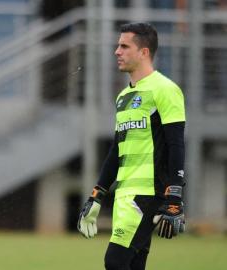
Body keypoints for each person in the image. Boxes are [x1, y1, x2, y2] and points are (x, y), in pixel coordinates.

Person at [77, 22, 186, 270]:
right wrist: (97, 195)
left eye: (124, 46)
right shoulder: (123, 96)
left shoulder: (166, 90)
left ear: (144, 52)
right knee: (133, 265)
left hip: (147, 195)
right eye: (118, 45)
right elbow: (117, 151)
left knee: (115, 262)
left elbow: (176, 145)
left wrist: (174, 196)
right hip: (124, 196)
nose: (117, 51)